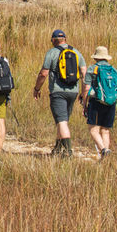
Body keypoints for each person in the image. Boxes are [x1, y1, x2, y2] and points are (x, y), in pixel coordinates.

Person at [32, 28, 86, 156]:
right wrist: (83, 93)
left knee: (61, 121)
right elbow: (84, 73)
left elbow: (43, 74)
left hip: (58, 92)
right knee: (63, 121)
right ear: (65, 39)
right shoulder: (77, 52)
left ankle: (68, 151)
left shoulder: (52, 53)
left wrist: (37, 89)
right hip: (73, 91)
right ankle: (57, 148)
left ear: (53, 41)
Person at [80, 45, 117, 159]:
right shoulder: (114, 70)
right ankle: (106, 158)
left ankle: (104, 150)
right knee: (105, 130)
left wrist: (84, 104)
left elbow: (86, 88)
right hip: (111, 102)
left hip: (96, 101)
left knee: (93, 129)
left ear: (96, 58)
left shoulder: (92, 69)